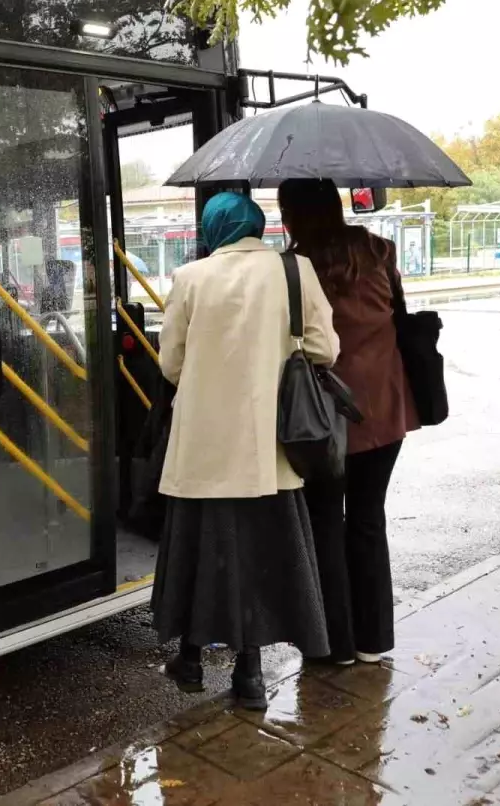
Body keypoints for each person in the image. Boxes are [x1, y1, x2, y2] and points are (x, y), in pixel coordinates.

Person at [153, 189, 339, 709]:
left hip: (202, 449)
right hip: (270, 448)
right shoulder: (293, 271)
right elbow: (325, 349)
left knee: (199, 553)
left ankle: (190, 659)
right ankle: (250, 676)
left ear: (213, 230)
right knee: (258, 555)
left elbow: (171, 364)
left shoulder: (190, 278)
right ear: (258, 227)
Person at [278, 178, 420, 666]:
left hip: (321, 419)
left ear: (292, 214)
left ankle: (333, 645)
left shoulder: (293, 270)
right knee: (367, 520)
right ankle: (374, 641)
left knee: (325, 523)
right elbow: (399, 315)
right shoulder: (379, 251)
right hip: (385, 409)